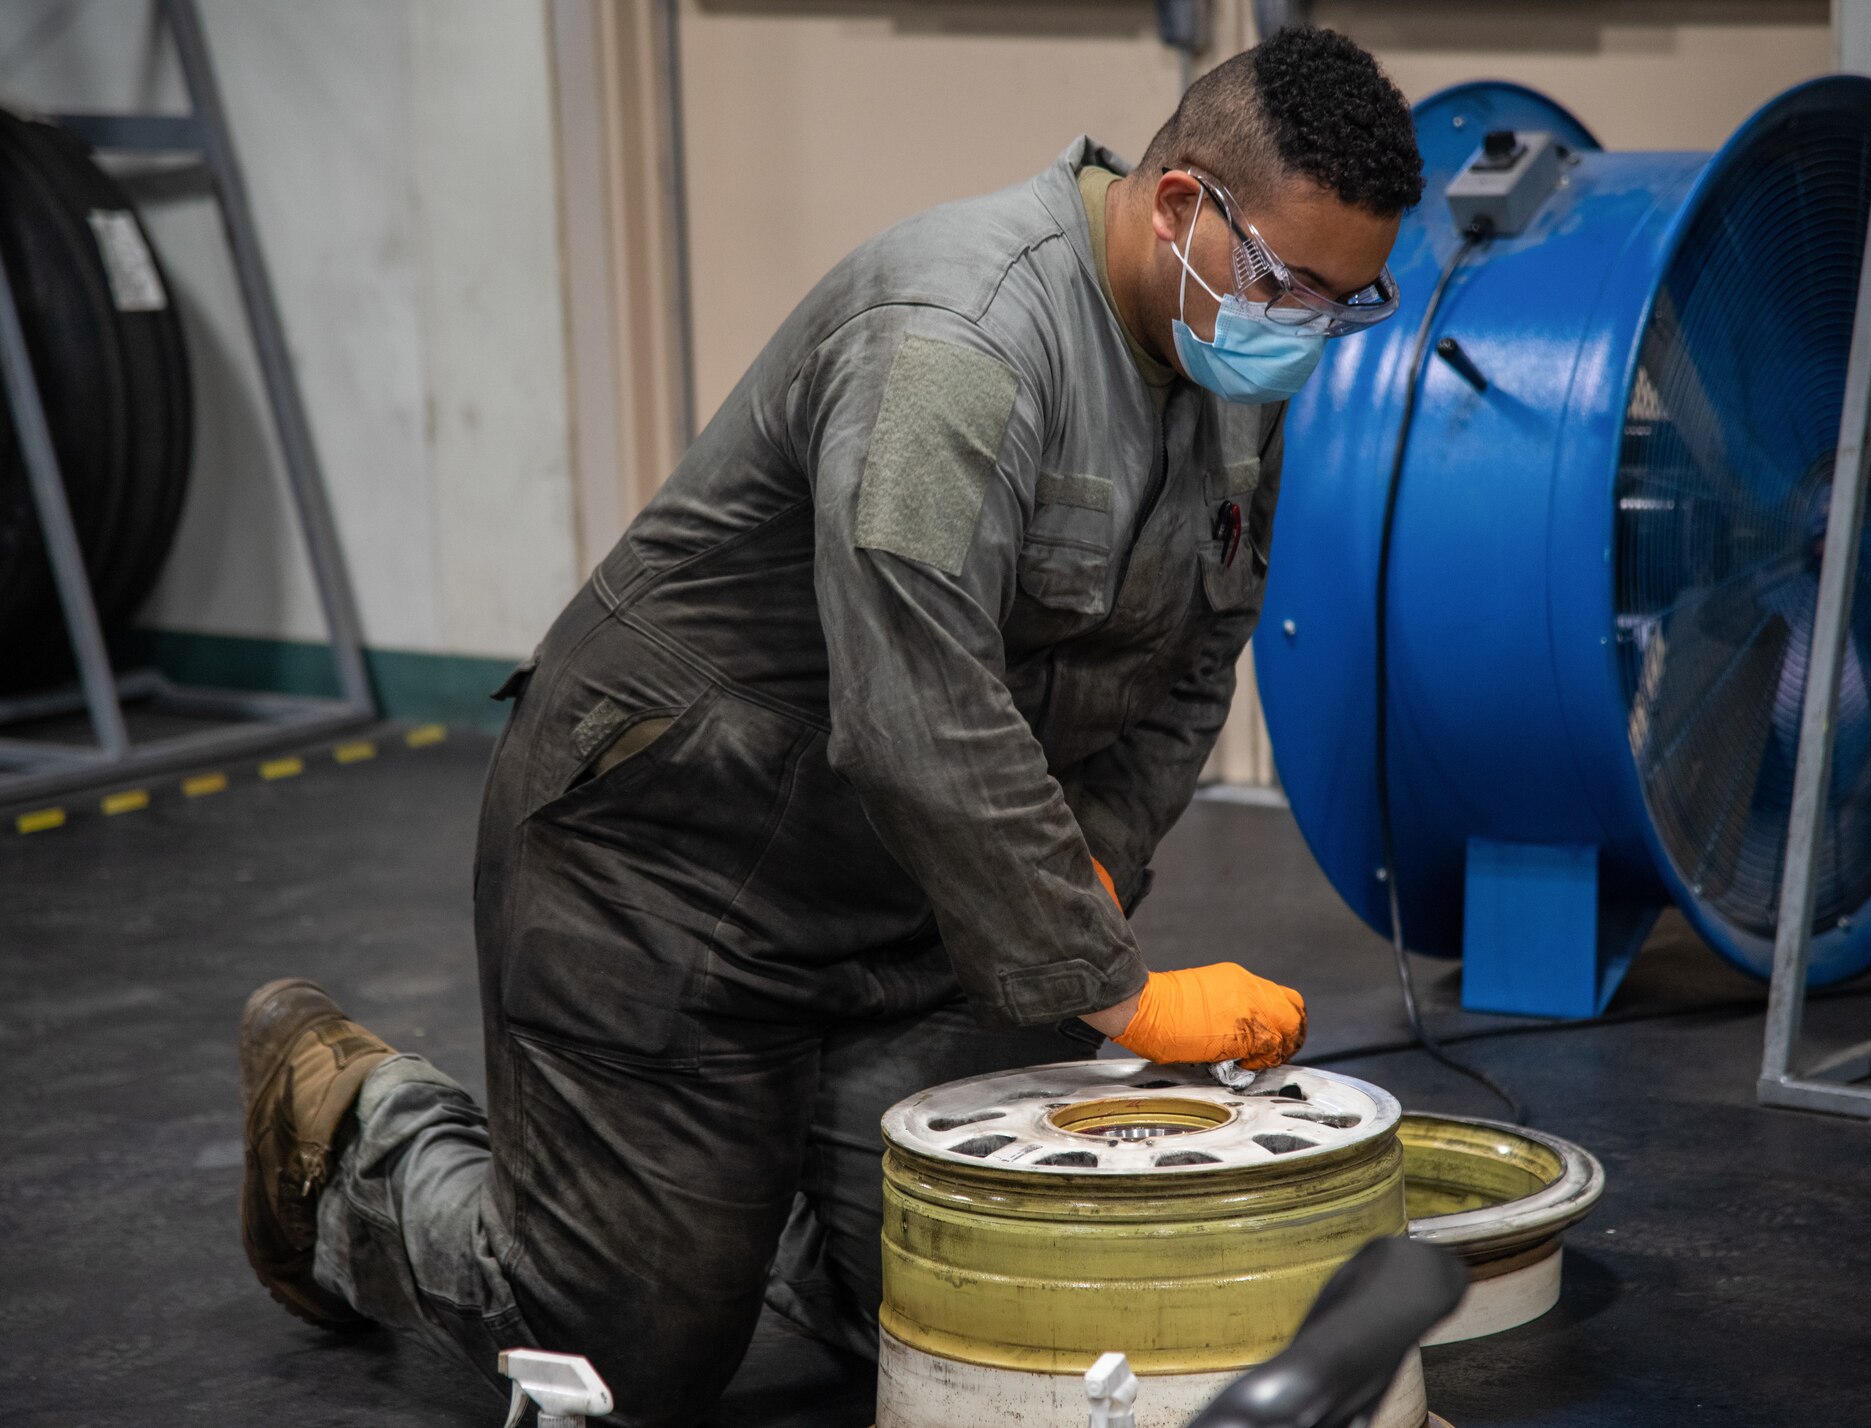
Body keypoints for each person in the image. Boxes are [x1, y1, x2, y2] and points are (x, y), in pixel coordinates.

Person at [235, 25, 1423, 1426]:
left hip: (910, 887)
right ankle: (351, 1123)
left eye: (1349, 303)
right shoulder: (958, 344)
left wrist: (1089, 877)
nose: (1308, 333)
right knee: (628, 1356)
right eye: (1291, 287)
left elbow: (1195, 655)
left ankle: (765, 1175)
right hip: (670, 863)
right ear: (1179, 208)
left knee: (968, 1312)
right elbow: (918, 714)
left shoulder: (1221, 358)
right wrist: (1117, 990)